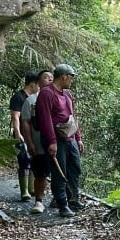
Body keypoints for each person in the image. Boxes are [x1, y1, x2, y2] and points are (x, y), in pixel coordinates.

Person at [36, 63, 84, 218]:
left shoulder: (67, 94)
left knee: (74, 169)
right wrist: (51, 141)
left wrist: (78, 138)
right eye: (71, 77)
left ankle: (73, 200)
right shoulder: (47, 94)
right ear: (63, 76)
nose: (72, 81)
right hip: (56, 140)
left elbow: (73, 117)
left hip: (70, 139)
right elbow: (45, 119)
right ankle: (62, 204)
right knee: (59, 172)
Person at [21, 70, 54, 214]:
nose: (49, 80)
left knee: (59, 171)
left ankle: (59, 199)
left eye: (52, 77)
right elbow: (26, 122)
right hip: (38, 143)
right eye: (45, 77)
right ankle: (39, 202)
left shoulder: (59, 97)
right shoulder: (31, 100)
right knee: (40, 173)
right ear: (38, 82)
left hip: (56, 143)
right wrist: (29, 142)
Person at [9, 71, 41, 201]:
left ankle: (32, 188)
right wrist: (18, 133)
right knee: (23, 161)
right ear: (33, 84)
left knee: (34, 160)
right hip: (22, 134)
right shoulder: (18, 97)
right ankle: (24, 191)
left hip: (33, 135)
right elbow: (15, 116)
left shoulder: (35, 98)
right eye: (38, 84)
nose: (39, 87)